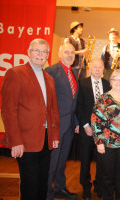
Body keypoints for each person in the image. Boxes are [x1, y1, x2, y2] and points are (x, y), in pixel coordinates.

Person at [0, 38, 60, 200]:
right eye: (37, 50)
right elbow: (8, 111)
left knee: (43, 183)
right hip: (25, 141)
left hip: (46, 140)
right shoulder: (15, 73)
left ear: (48, 55)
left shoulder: (49, 78)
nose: (40, 54)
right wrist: (16, 141)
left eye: (44, 51)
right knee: (30, 184)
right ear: (29, 52)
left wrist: (54, 136)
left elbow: (53, 110)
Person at [91, 69, 120, 200]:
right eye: (115, 79)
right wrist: (99, 142)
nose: (118, 82)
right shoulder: (103, 98)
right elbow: (95, 121)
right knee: (108, 176)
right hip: (107, 144)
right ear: (111, 82)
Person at [45, 43, 79, 200]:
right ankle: (47, 193)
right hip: (55, 126)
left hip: (69, 125)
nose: (70, 55)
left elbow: (73, 101)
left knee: (61, 161)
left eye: (72, 52)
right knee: (51, 163)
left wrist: (76, 121)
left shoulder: (73, 72)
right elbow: (45, 101)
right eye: (66, 52)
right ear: (59, 53)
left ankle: (59, 188)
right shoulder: (51, 71)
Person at [76, 58, 111, 200]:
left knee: (102, 160)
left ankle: (98, 185)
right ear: (90, 68)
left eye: (100, 67)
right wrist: (85, 125)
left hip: (103, 131)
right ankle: (85, 187)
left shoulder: (108, 84)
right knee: (85, 160)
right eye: (95, 67)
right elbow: (78, 106)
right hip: (87, 129)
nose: (97, 69)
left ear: (103, 69)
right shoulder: (82, 83)